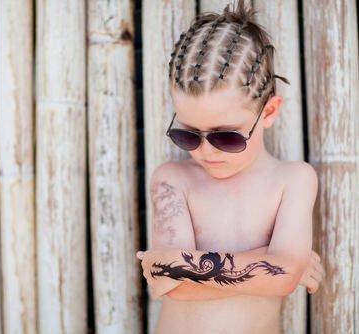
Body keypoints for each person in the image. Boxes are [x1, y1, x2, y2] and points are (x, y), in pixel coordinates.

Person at [135, 1, 324, 333]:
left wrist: (181, 265)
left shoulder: (293, 180)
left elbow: (282, 280)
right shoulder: (173, 179)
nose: (206, 151)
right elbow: (170, 285)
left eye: (226, 137)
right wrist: (274, 260)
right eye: (188, 134)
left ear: (268, 113)